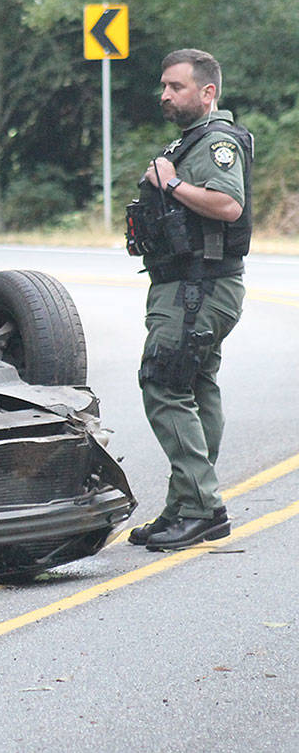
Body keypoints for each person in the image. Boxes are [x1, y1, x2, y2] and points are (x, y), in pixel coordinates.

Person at [126, 48, 252, 551]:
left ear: (207, 92)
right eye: (163, 86)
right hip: (192, 285)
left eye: (175, 87)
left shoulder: (218, 142)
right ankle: (185, 504)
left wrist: (172, 182)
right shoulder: (192, 139)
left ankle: (203, 507)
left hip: (198, 288)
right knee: (195, 386)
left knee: (162, 383)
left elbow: (228, 203)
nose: (164, 95)